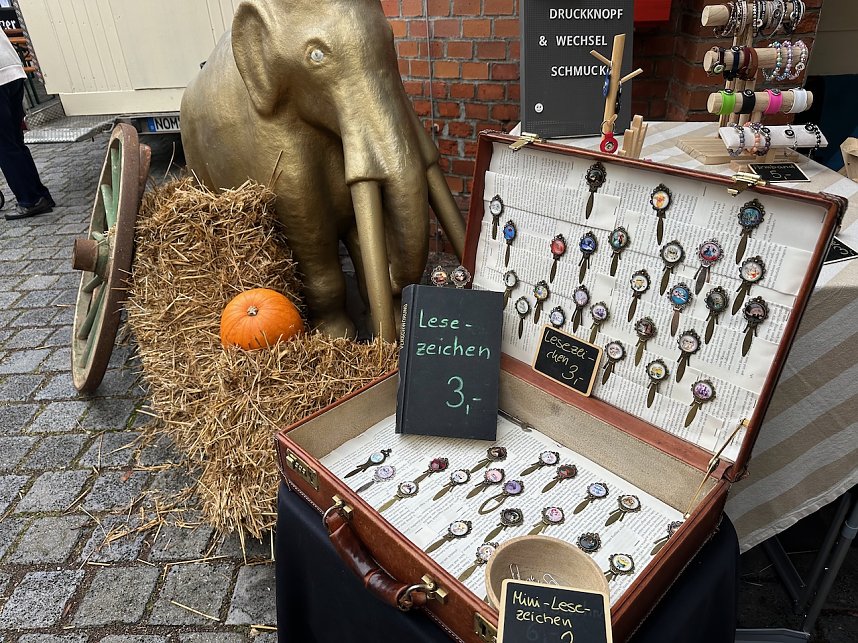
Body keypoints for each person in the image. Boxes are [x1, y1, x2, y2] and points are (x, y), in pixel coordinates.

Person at [0, 32, 53, 220]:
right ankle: (39, 195)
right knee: (14, 142)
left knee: (5, 147)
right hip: (11, 69)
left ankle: (30, 200)